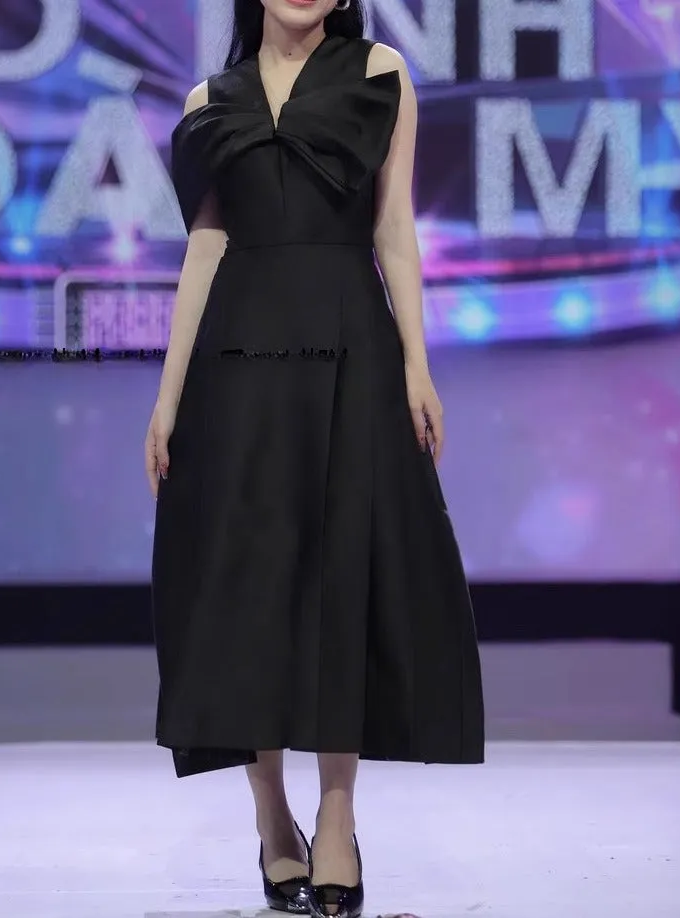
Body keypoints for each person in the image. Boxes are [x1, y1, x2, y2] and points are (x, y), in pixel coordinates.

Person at [146, 1, 484, 915]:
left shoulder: (379, 73)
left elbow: (394, 229)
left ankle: (338, 815)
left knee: (343, 573)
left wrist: (417, 363)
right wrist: (169, 396)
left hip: (350, 346)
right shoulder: (208, 99)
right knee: (246, 585)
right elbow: (205, 246)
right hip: (237, 361)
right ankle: (271, 815)